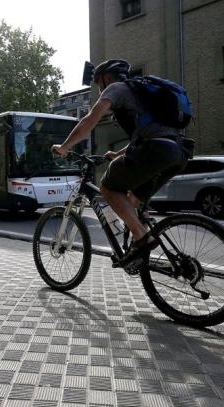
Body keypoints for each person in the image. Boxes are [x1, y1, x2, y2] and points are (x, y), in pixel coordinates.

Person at [52, 59, 189, 266]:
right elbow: (148, 135)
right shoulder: (140, 94)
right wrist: (118, 154)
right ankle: (139, 251)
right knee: (133, 200)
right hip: (178, 151)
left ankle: (142, 238)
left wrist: (64, 147)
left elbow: (89, 120)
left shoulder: (117, 89)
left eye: (99, 84)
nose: (100, 90)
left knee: (107, 188)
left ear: (106, 79)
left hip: (155, 150)